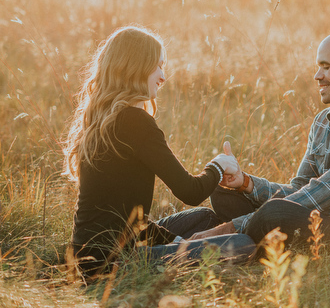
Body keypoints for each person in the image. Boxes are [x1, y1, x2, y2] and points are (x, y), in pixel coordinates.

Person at [64, 26, 254, 280]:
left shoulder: (102, 120)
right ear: (136, 67)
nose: (163, 76)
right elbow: (190, 191)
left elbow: (123, 217)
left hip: (91, 254)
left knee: (205, 219)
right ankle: (175, 263)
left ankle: (177, 253)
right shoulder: (134, 121)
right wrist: (220, 164)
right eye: (158, 66)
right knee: (243, 244)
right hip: (117, 263)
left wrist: (174, 240)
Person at [190, 30, 330, 247]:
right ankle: (246, 243)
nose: (317, 75)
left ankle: (229, 244)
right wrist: (245, 183)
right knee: (225, 191)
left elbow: (313, 198)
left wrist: (225, 228)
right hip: (319, 220)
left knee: (273, 214)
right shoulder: (323, 121)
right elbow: (300, 190)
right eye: (318, 67)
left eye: (326, 66)